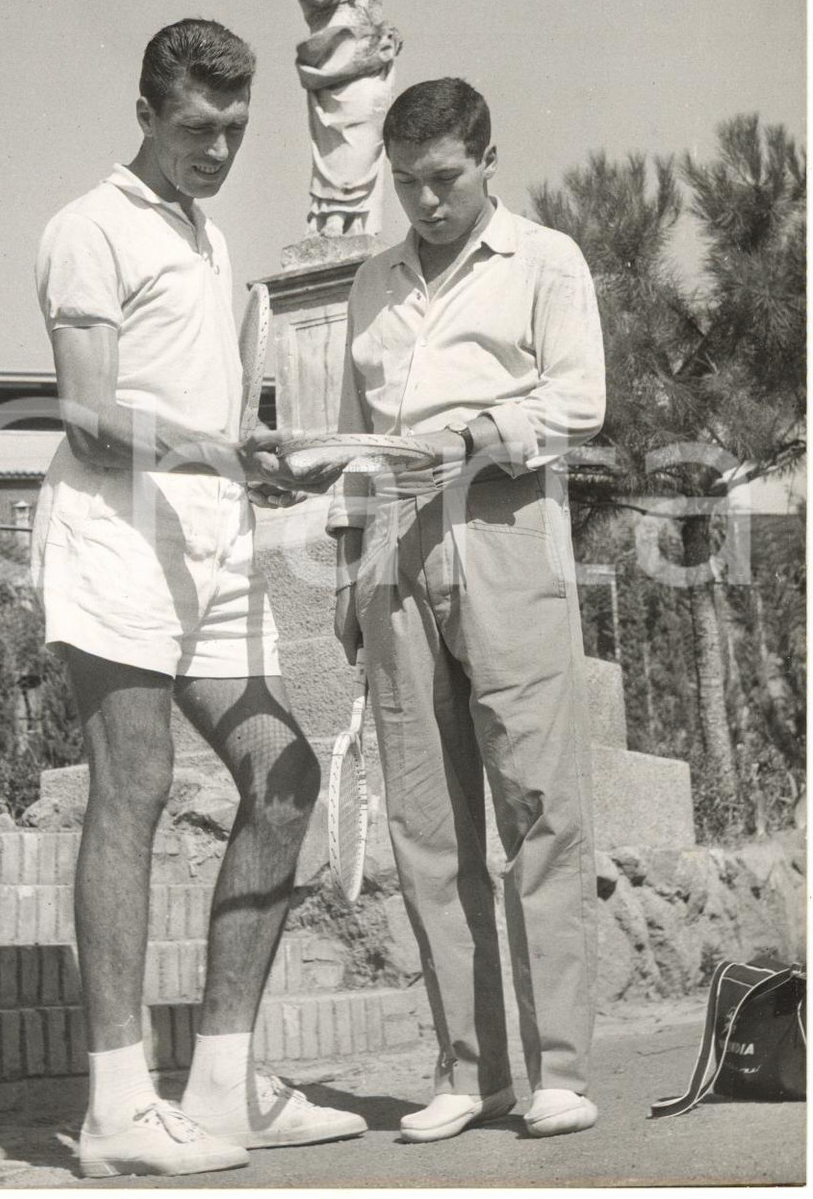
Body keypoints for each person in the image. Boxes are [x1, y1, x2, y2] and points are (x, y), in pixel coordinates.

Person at [31, 18, 366, 1179]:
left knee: (285, 775)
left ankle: (220, 1082)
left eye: (233, 129)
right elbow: (82, 411)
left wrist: (254, 454)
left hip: (211, 544)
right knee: (134, 784)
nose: (216, 148)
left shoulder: (212, 242)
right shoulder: (88, 228)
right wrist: (213, 453)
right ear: (145, 113)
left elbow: (195, 406)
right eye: (194, 129)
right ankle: (117, 1107)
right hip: (115, 536)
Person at [324, 77, 606, 1144]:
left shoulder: (544, 260)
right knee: (423, 820)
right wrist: (349, 575)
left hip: (504, 525)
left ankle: (560, 1069)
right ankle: (468, 1065)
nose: (425, 202)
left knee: (537, 803)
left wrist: (478, 435)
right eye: (405, 184)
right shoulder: (371, 282)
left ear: (488, 158)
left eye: (442, 178)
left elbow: (578, 399)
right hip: (396, 541)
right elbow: (356, 445)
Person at [288, 0, 401, 236]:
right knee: (339, 144)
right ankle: (333, 215)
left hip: (368, 61)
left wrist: (387, 34)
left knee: (367, 138)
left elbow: (371, 11)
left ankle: (360, 218)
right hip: (335, 64)